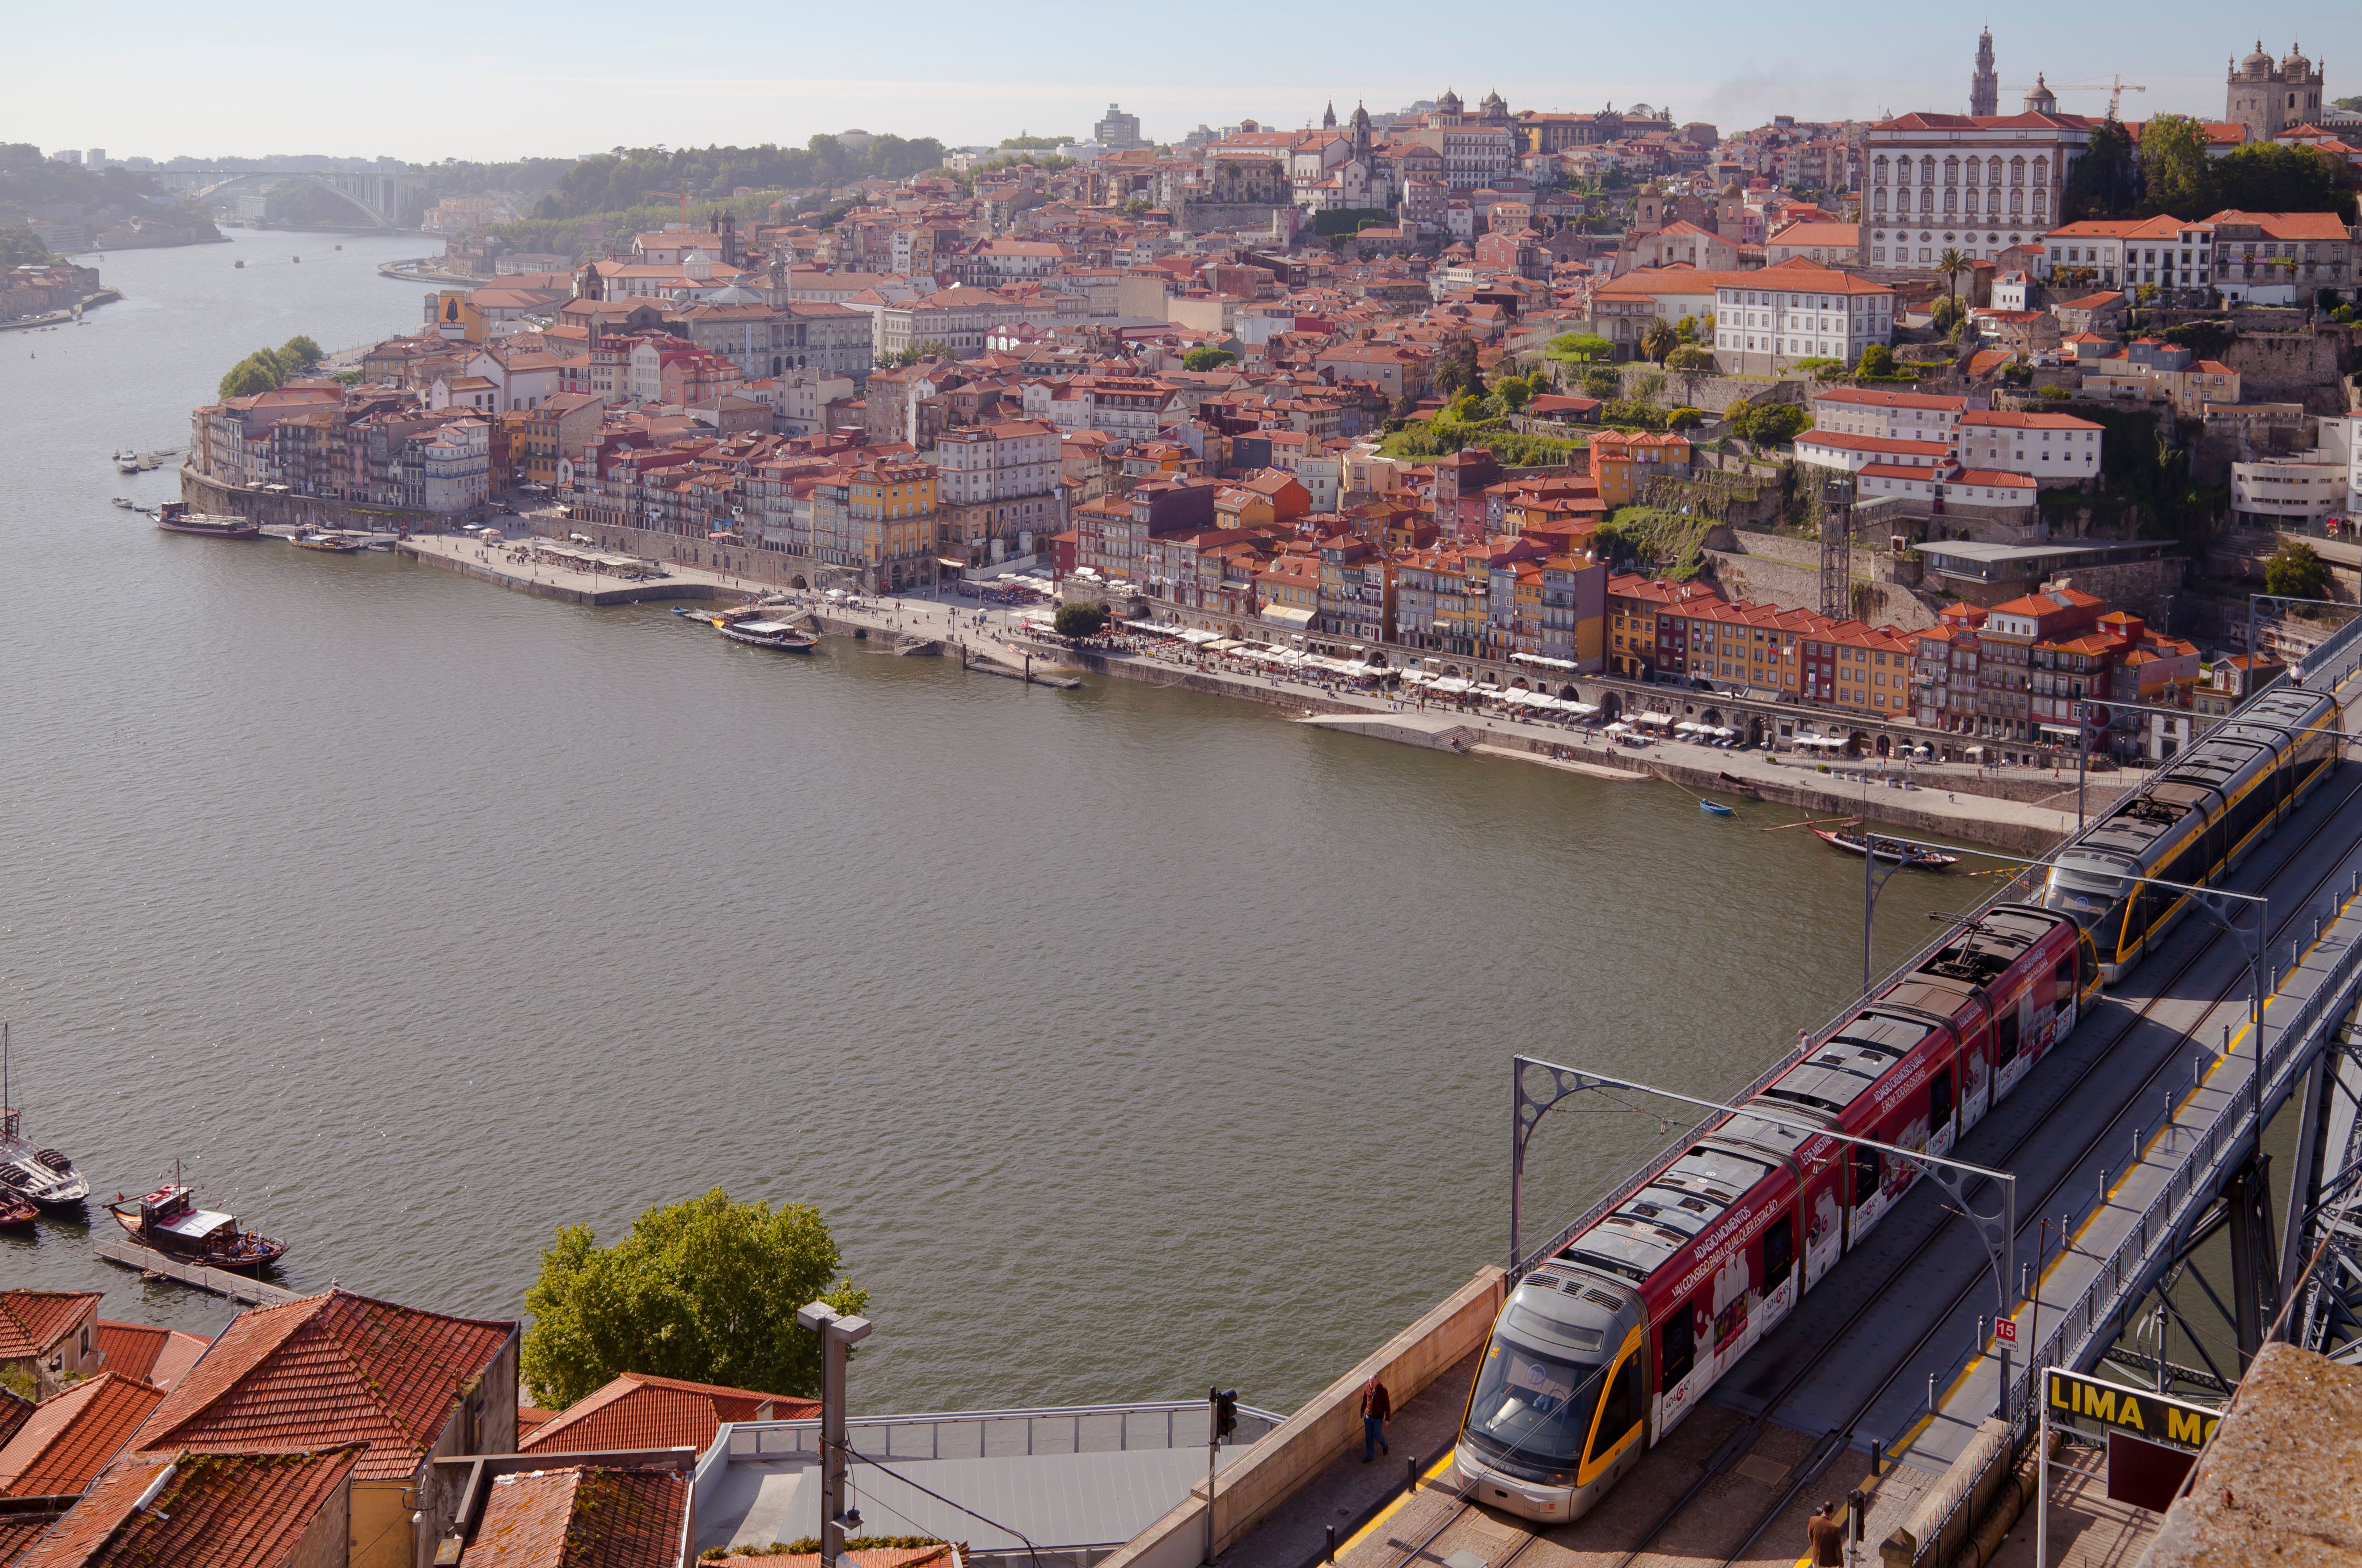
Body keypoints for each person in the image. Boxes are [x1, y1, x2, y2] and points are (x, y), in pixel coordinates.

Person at [1361, 1375, 1391, 1462]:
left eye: (1373, 1382)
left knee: (1377, 1435)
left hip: (1378, 1418)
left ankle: (1385, 1444)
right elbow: (1364, 1401)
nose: (1371, 1384)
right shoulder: (1367, 1388)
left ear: (1377, 1381)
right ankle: (1370, 1456)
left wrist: (1387, 1418)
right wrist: (1362, 1411)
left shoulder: (1383, 1390)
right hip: (1368, 1416)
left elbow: (1387, 1405)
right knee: (1369, 1437)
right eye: (1370, 1382)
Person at [1806, 1500, 1845, 1568]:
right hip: (1830, 1562)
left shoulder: (1813, 1520)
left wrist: (1815, 1545)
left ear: (1823, 1508)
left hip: (1817, 1558)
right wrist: (1841, 1563)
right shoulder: (1835, 1528)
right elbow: (1838, 1548)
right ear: (1831, 1513)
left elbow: (1810, 1535)